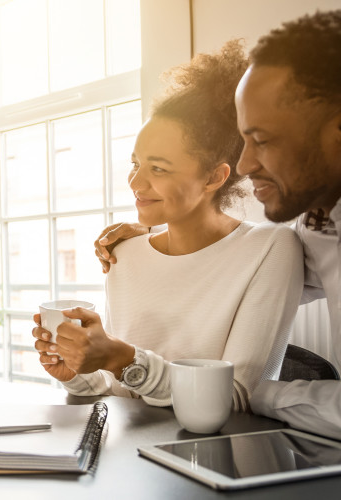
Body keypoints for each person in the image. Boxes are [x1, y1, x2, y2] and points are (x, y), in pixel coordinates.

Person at [95, 10, 341, 438]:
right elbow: (235, 269)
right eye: (244, 140)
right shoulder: (318, 227)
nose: (245, 164)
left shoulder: (282, 244)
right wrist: (155, 239)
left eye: (261, 140)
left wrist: (259, 394)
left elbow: (237, 395)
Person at [32, 42, 303, 411]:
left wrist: (121, 359)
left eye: (158, 168)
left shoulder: (270, 248)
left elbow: (237, 397)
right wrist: (77, 371)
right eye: (135, 163)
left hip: (216, 456)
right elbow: (119, 388)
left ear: (214, 177)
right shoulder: (124, 253)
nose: (135, 183)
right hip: (128, 455)